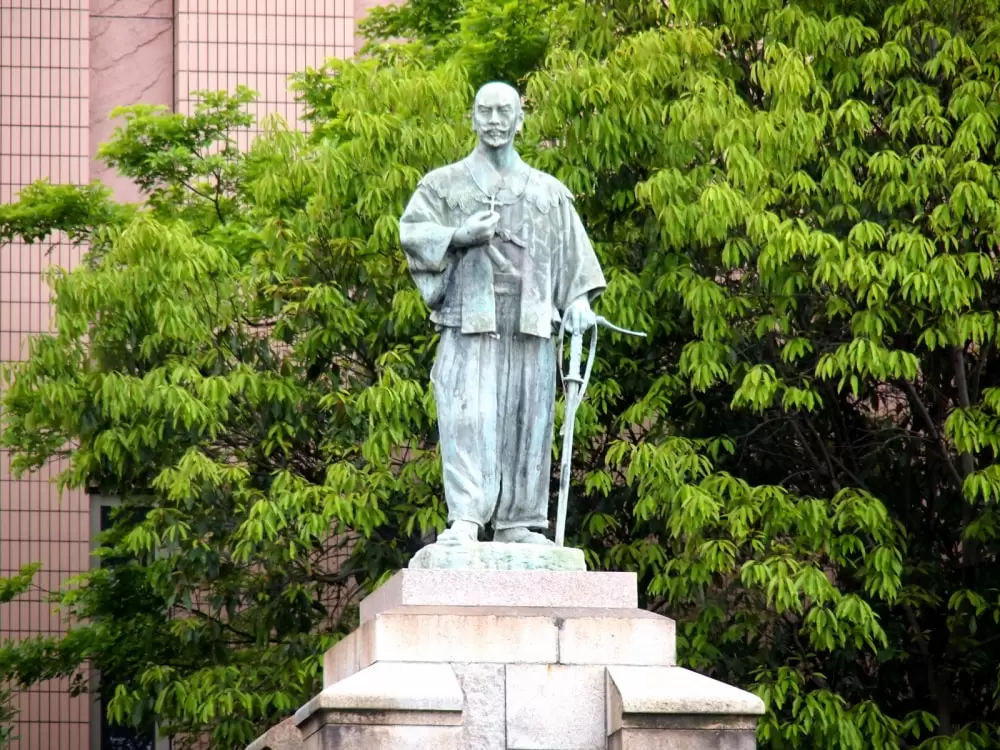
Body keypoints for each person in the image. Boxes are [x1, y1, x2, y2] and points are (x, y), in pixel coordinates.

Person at [399, 81, 606, 545]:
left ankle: (518, 522)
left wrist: (577, 303)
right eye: (485, 111)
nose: (494, 121)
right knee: (468, 415)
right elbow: (412, 232)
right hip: (470, 319)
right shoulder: (442, 186)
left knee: (528, 419)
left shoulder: (549, 193)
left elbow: (575, 264)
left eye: (503, 112)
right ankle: (467, 518)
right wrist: (459, 236)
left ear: (520, 121)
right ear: (472, 119)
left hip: (531, 321)